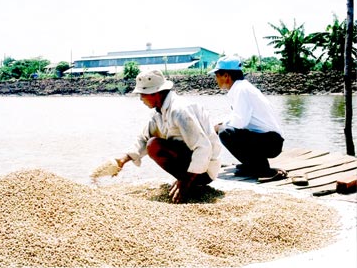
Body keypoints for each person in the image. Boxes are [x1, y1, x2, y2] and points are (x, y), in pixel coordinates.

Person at [115, 69, 221, 203]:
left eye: (143, 94)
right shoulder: (158, 113)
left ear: (156, 93)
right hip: (192, 165)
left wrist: (185, 182)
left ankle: (189, 182)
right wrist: (123, 160)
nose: (141, 99)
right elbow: (143, 138)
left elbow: (203, 148)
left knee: (154, 146)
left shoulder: (179, 110)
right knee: (151, 143)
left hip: (205, 171)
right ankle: (188, 181)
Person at [209, 56, 287, 182]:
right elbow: (237, 117)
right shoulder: (241, 88)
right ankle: (252, 165)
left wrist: (219, 127)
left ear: (226, 76)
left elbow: (240, 122)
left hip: (272, 141)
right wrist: (220, 123)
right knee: (224, 128)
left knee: (225, 132)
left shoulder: (241, 90)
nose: (216, 78)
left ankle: (262, 168)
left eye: (217, 75)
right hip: (269, 139)